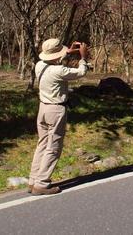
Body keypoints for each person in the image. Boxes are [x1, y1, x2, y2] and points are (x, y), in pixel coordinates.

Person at [28, 38, 89, 195]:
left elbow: (55, 62)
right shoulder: (59, 71)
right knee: (54, 146)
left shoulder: (39, 65)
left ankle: (33, 180)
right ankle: (41, 183)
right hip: (56, 110)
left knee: (42, 144)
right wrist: (83, 57)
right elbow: (81, 72)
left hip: (43, 109)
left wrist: (66, 53)